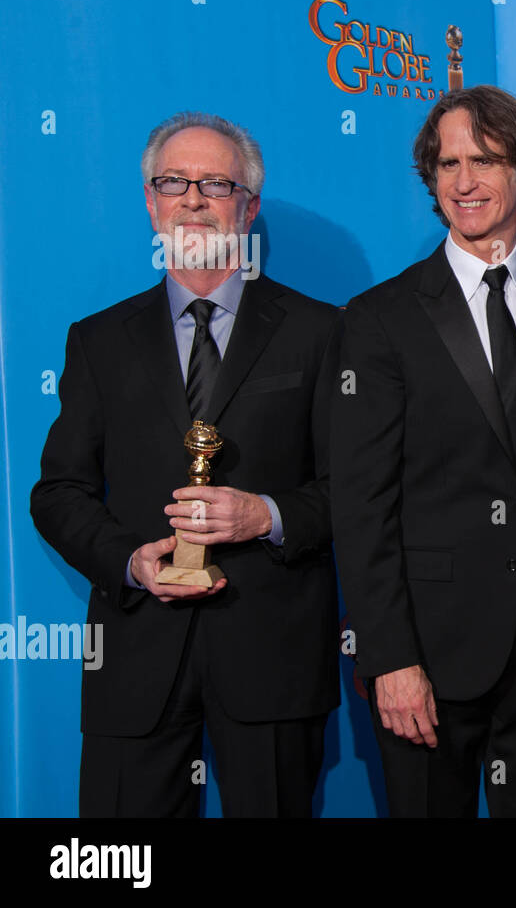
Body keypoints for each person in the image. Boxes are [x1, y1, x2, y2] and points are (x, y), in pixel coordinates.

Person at [30, 111, 340, 817]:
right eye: (174, 181)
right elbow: (59, 492)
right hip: (136, 652)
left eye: (216, 183)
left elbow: (354, 488)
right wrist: (129, 560)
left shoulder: (321, 332)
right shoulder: (99, 341)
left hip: (273, 657)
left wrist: (268, 514)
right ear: (149, 199)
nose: (193, 198)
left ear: (249, 206)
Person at [331, 85, 516, 817]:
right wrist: (389, 657)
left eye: (484, 159)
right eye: (447, 163)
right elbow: (360, 504)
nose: (462, 181)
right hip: (428, 651)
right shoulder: (381, 319)